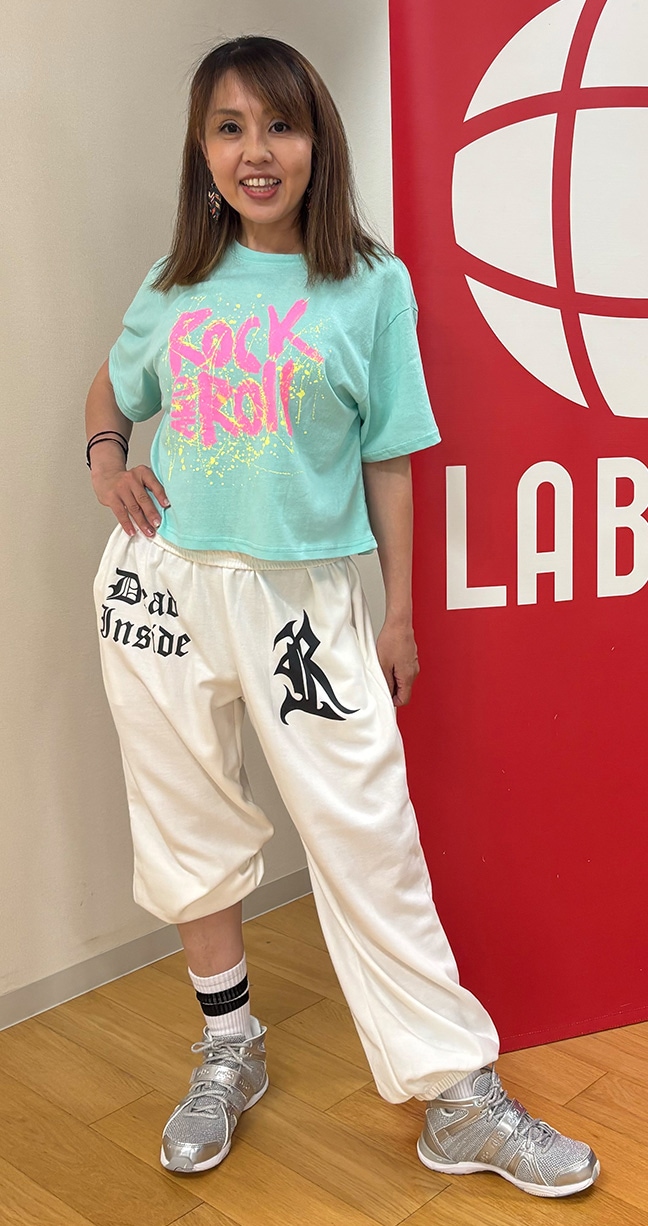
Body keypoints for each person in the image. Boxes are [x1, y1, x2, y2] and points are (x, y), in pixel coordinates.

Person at [85, 34, 599, 1198]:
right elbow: (114, 383)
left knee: (370, 837)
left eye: (280, 124)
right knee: (186, 825)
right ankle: (229, 1047)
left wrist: (398, 611)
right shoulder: (175, 282)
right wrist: (108, 455)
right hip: (162, 587)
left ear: (319, 139)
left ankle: (456, 1094)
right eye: (229, 128)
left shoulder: (370, 285)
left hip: (304, 598)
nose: (256, 151)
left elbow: (390, 458)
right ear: (202, 150)